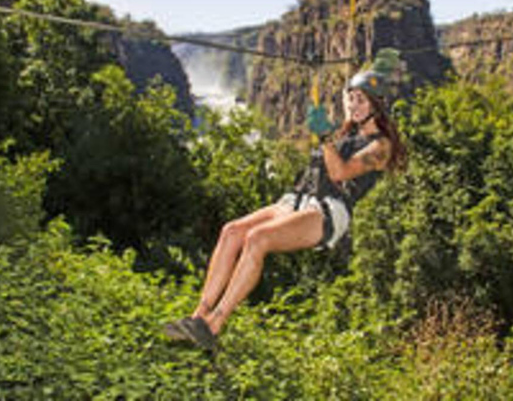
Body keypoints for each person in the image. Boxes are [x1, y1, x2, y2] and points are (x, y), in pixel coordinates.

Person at [164, 63, 406, 349]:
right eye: (351, 98)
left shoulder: (381, 146)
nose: (353, 105)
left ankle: (213, 326)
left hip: (328, 211)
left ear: (377, 104)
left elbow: (340, 173)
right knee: (232, 232)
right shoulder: (348, 133)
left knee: (257, 239)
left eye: (360, 99)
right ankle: (196, 318)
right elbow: (338, 124)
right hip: (300, 198)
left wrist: (325, 136)